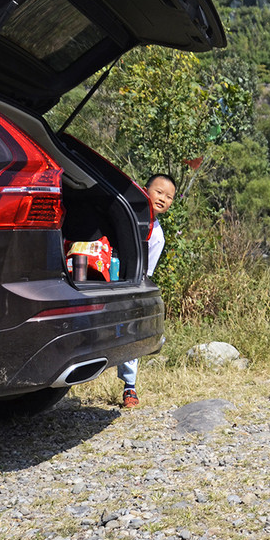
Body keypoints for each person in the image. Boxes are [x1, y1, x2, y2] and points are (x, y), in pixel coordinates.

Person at [119, 173, 176, 407]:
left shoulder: (157, 235)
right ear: (144, 190)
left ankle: (129, 387)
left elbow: (146, 273)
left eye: (169, 197)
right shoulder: (124, 212)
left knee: (132, 331)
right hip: (104, 277)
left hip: (131, 285)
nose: (163, 198)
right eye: (159, 192)